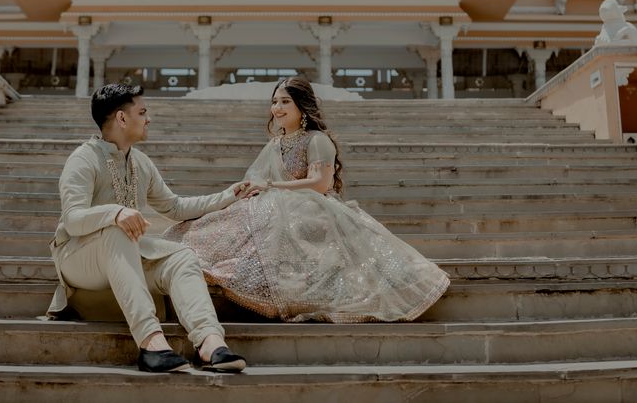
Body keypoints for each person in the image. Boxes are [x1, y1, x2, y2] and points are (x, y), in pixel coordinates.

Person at [164, 76, 450, 322]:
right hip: (277, 204)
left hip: (313, 207)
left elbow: (320, 183)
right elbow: (256, 177)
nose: (277, 108)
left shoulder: (316, 140)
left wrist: (272, 186)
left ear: (302, 106)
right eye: (275, 102)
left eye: (285, 102)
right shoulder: (274, 144)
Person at [46, 83, 254, 373]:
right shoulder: (84, 159)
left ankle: (210, 343)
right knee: (118, 232)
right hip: (78, 258)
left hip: (125, 254)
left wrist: (229, 196)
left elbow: (175, 207)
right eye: (142, 112)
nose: (148, 119)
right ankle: (151, 343)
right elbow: (73, 219)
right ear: (121, 119)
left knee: (181, 256)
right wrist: (115, 213)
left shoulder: (140, 163)